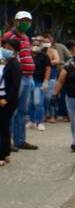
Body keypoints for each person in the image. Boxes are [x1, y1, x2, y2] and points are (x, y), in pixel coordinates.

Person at [3, 11, 37, 150]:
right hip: (17, 77)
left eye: (28, 21)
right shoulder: (8, 36)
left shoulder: (26, 37)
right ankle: (7, 142)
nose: (26, 23)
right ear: (15, 21)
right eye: (23, 20)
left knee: (23, 110)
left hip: (28, 77)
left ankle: (20, 140)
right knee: (12, 110)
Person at [0, 38, 24, 166]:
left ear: (15, 50)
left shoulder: (15, 64)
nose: (5, 50)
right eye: (4, 47)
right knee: (3, 127)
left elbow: (15, 86)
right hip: (4, 99)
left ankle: (2, 155)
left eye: (9, 48)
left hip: (8, 101)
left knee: (3, 127)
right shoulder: (8, 63)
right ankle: (5, 152)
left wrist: (6, 100)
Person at [30, 37, 51, 131]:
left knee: (38, 102)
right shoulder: (27, 55)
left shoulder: (44, 56)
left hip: (39, 81)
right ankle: (32, 121)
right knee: (30, 103)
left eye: (37, 45)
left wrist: (46, 81)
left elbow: (48, 69)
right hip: (28, 80)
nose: (35, 46)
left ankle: (40, 122)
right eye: (33, 44)